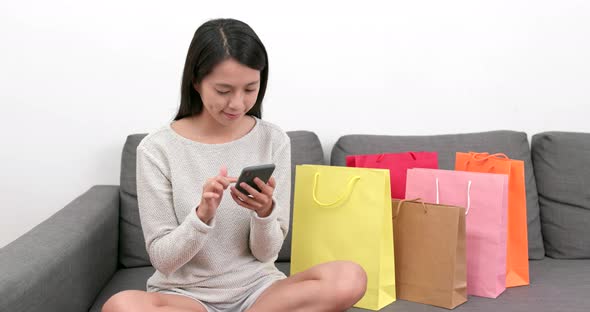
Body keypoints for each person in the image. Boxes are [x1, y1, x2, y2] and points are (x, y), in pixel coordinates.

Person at [102, 18, 367, 312]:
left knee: (350, 277)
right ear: (196, 81)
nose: (238, 104)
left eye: (250, 89)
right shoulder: (157, 149)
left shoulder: (273, 139)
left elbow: (267, 253)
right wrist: (202, 216)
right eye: (224, 91)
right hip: (185, 297)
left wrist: (264, 212)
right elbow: (164, 260)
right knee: (121, 306)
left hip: (260, 294)